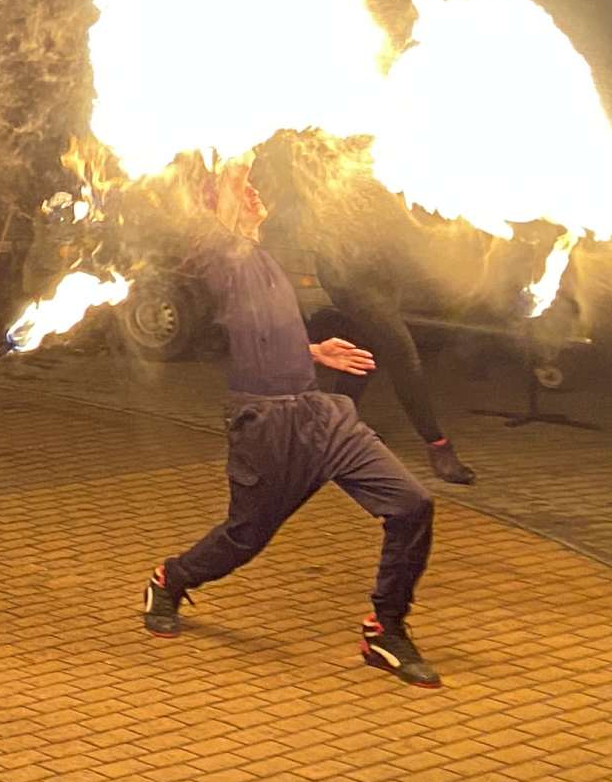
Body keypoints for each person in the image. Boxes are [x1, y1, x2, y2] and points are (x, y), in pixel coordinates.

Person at [143, 162, 441, 686]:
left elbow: (262, 331)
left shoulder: (263, 259)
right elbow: (218, 190)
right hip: (266, 424)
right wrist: (230, 158)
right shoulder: (220, 255)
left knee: (412, 504)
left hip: (321, 414)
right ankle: (170, 579)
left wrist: (313, 350)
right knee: (245, 537)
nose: (254, 191)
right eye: (242, 187)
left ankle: (385, 629)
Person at [313, 232, 478, 484]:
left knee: (362, 355)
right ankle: (437, 444)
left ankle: (333, 431)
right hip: (351, 274)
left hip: (383, 274)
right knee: (404, 357)